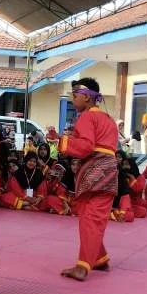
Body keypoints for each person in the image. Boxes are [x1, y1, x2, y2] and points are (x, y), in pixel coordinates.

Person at [57, 79, 118, 281]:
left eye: (75, 95)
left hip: (95, 171)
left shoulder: (86, 117)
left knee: (90, 218)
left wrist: (63, 142)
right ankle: (100, 258)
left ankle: (83, 266)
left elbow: (85, 147)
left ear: (86, 96)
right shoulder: (108, 119)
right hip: (108, 170)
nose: (73, 99)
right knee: (90, 215)